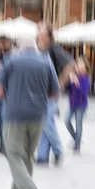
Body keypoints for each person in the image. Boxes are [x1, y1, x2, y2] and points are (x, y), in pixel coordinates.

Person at [0, 38, 60, 189]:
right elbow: (55, 93)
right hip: (38, 115)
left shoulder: (11, 60)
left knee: (14, 154)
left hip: (14, 114)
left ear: (20, 48)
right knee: (28, 155)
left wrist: (9, 98)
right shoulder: (46, 62)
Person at [36, 22, 75, 165]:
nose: (37, 33)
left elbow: (71, 64)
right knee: (45, 122)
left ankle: (58, 150)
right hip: (41, 92)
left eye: (40, 30)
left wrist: (59, 83)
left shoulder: (53, 48)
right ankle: (42, 155)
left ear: (47, 35)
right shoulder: (41, 50)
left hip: (50, 93)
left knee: (46, 122)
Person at [65, 57, 91, 153]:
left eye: (80, 64)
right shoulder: (74, 75)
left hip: (81, 105)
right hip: (72, 103)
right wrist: (68, 80)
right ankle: (77, 139)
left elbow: (84, 92)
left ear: (85, 66)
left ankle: (77, 145)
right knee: (67, 121)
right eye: (77, 64)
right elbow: (69, 90)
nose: (78, 66)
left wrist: (76, 83)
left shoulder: (86, 78)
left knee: (78, 124)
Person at [0, 36, 13, 155]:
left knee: (6, 120)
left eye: (4, 43)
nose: (2, 45)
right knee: (0, 119)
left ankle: (7, 145)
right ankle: (2, 144)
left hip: (7, 93)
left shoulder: (12, 57)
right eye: (0, 43)